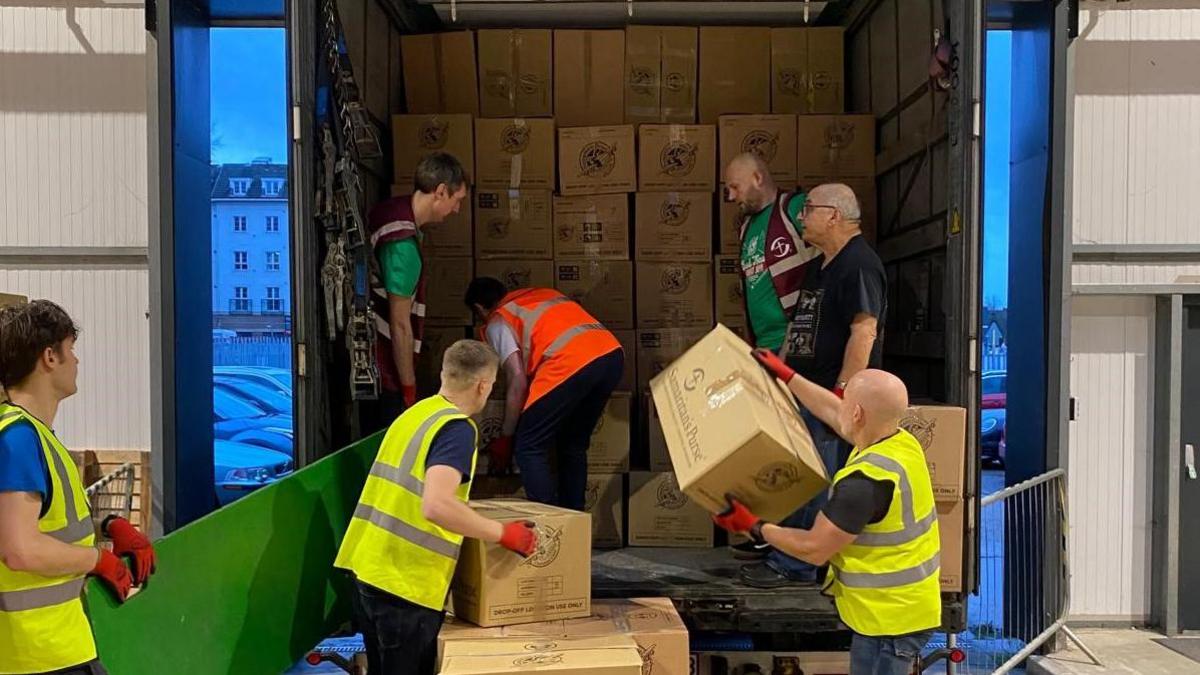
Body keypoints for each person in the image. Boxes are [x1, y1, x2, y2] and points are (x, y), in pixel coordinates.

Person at [714, 357, 940, 675]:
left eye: (846, 400)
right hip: (896, 612)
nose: (840, 405)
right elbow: (833, 412)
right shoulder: (901, 443)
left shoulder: (865, 483)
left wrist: (754, 526)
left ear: (858, 413)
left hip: (890, 624)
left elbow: (814, 549)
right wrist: (789, 377)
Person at [334, 339, 538, 675]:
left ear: (445, 373)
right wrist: (501, 533)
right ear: (483, 385)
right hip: (405, 585)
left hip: (368, 570)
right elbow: (437, 505)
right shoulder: (456, 429)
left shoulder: (415, 415)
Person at [741, 182, 889, 589]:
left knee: (818, 478)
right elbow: (800, 325)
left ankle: (798, 565)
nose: (801, 217)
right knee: (797, 472)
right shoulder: (820, 264)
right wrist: (782, 375)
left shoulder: (859, 264)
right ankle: (782, 549)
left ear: (834, 215)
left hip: (831, 395)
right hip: (808, 389)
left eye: (807, 211)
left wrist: (843, 394)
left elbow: (864, 333)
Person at [0, 300, 158, 675]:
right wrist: (97, 560)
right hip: (37, 655)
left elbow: (46, 520)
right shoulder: (17, 439)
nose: (77, 361)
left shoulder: (35, 435)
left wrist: (108, 526)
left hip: (57, 647)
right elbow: (20, 549)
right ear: (49, 357)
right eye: (71, 349)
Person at [463, 278, 624, 510]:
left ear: (479, 308)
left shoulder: (499, 320)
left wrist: (507, 437)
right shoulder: (542, 294)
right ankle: (574, 521)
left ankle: (551, 525)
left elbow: (517, 380)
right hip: (611, 356)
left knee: (529, 446)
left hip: (570, 363)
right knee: (573, 444)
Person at [366, 151, 470, 423]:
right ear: (440, 192)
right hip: (385, 367)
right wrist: (409, 389)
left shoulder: (392, 211)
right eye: (457, 200)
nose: (457, 210)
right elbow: (400, 324)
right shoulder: (402, 245)